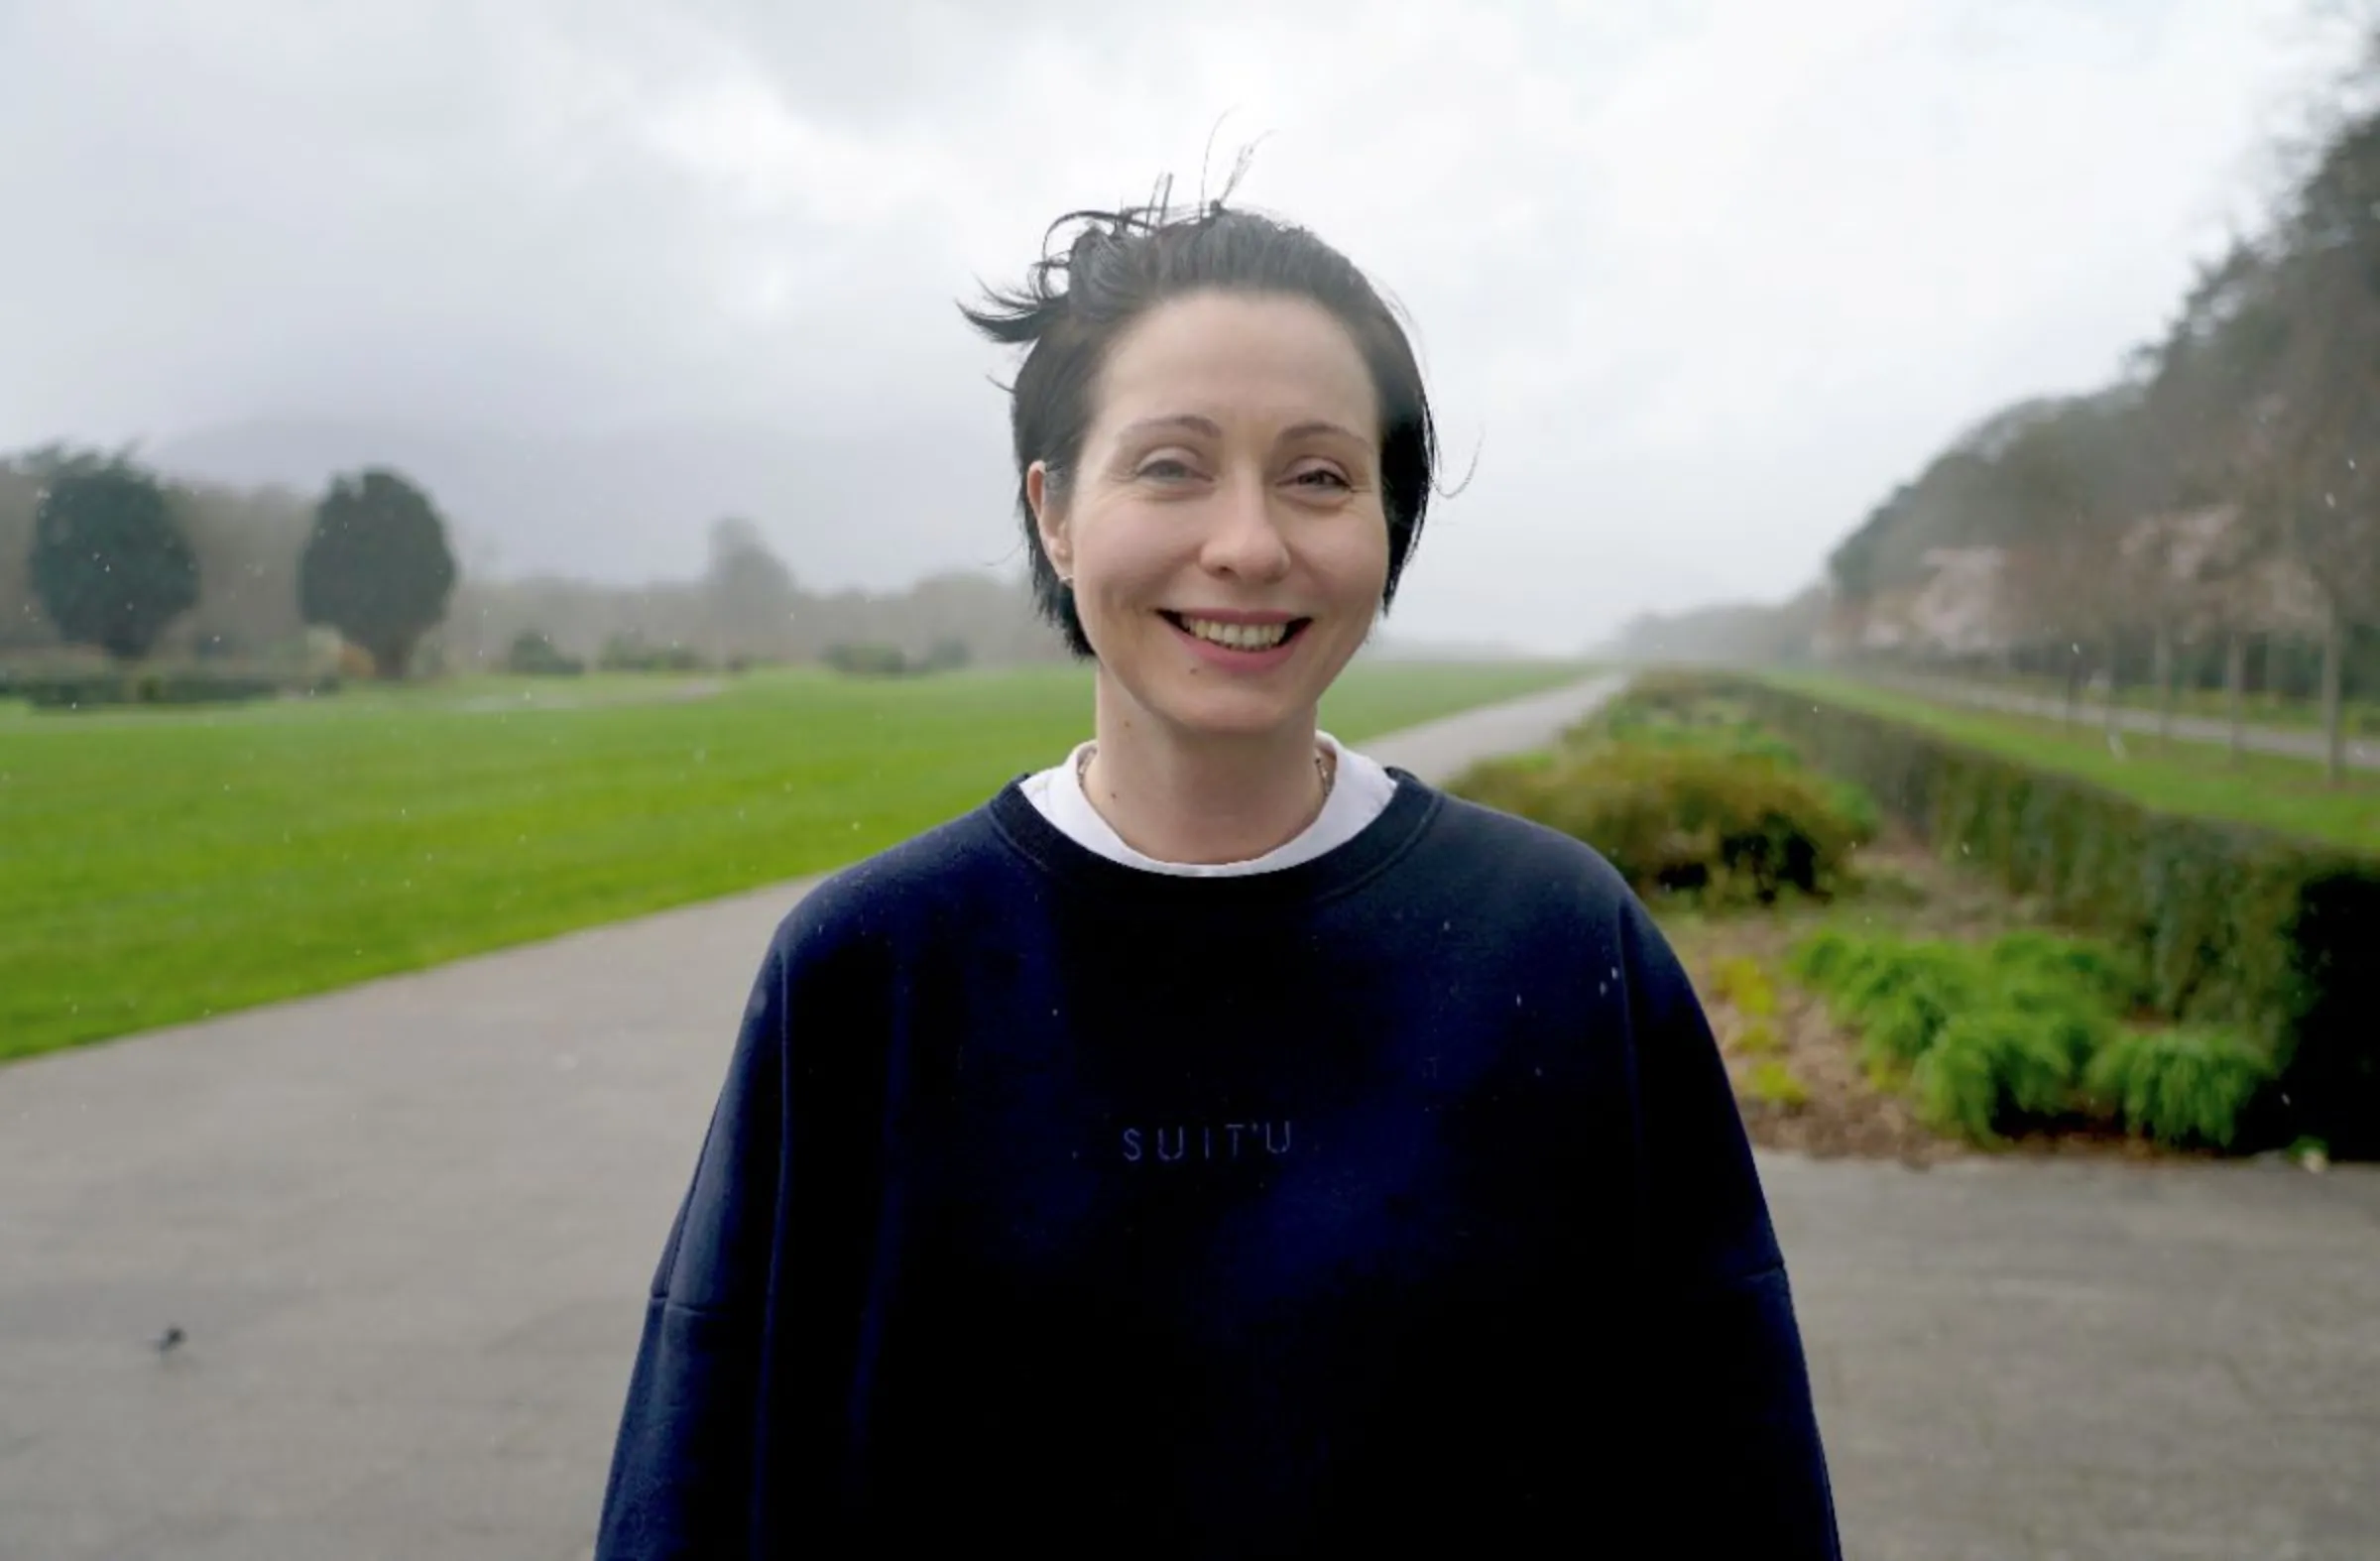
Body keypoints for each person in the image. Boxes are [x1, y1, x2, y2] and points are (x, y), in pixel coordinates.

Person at [594, 182, 1842, 1557]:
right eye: (1172, 464)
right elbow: (701, 1485)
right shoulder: (873, 972)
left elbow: (1733, 1473)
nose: (1248, 542)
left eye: (1319, 474)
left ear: (1388, 523)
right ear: (1055, 512)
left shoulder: (1554, 947)